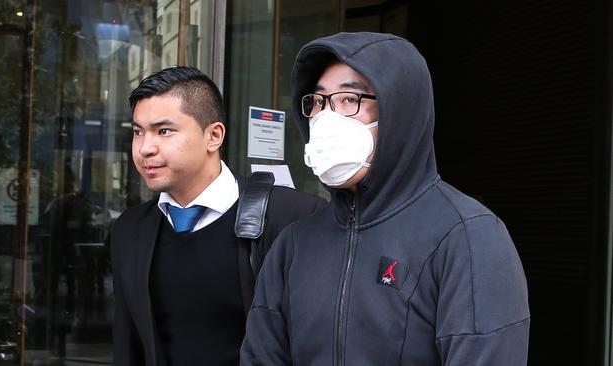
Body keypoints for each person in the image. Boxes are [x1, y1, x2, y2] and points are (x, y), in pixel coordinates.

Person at [241, 32, 530, 365]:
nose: (325, 118)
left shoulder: (469, 236)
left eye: (349, 99)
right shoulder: (294, 244)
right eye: (318, 102)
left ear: (399, 110)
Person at [110, 66, 325, 366]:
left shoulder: (292, 217)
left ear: (214, 136)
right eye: (137, 132)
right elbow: (128, 344)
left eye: (164, 131)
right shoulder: (130, 229)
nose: (145, 148)